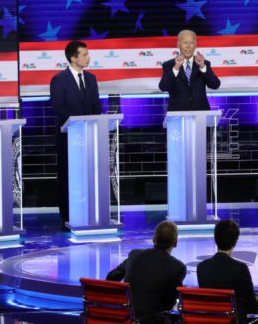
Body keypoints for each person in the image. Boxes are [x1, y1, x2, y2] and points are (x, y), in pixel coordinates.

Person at [50, 40, 102, 230]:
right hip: (68, 137)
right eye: (85, 55)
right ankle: (66, 216)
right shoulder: (59, 79)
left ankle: (88, 212)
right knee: (66, 176)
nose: (89, 58)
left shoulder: (91, 78)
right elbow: (58, 107)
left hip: (89, 137)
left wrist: (95, 122)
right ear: (73, 58)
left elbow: (96, 105)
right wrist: (78, 124)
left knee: (88, 174)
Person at [106, 220, 187, 324]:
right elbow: (168, 305)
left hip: (127, 318)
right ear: (175, 243)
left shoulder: (134, 255)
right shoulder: (178, 267)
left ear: (153, 239)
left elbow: (112, 277)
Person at [197, 219, 258, 324]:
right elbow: (253, 307)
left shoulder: (202, 267)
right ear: (235, 242)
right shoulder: (241, 269)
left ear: (215, 239)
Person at [158, 29, 221, 111]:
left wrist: (202, 66)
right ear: (178, 45)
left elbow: (215, 85)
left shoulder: (204, 63)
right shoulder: (169, 65)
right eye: (185, 43)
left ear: (195, 45)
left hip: (200, 114)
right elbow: (163, 87)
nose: (188, 46)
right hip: (177, 115)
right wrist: (176, 67)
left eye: (191, 43)